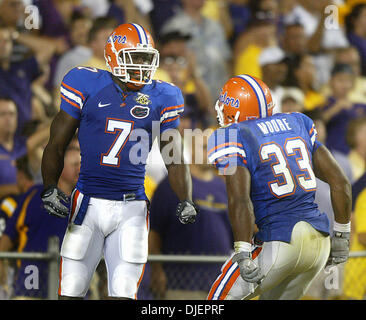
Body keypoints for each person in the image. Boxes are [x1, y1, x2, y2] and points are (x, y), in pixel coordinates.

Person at [40, 23, 198, 300]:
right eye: (135, 57)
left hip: (132, 209)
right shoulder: (85, 82)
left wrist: (186, 197)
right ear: (113, 55)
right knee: (70, 292)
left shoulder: (163, 96)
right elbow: (57, 143)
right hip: (87, 202)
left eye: (146, 58)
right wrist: (50, 185)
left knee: (124, 294)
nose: (142, 65)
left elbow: (172, 156)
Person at [206, 74, 352, 300]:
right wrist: (342, 235)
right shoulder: (298, 122)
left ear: (234, 110)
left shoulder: (233, 135)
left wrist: (243, 251)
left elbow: (239, 199)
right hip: (319, 244)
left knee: (216, 301)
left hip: (279, 242)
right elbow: (340, 181)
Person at [147, 132, 233, 300]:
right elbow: (154, 232)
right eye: (205, 147)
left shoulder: (223, 187)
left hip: (218, 286)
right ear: (191, 149)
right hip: (180, 287)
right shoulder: (171, 185)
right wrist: (156, 271)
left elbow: (231, 234)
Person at [0, 148, 79, 299]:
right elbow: (10, 233)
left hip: (71, 282)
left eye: (82, 164)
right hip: (31, 279)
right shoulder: (35, 195)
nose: (80, 169)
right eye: (75, 164)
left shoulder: (86, 201)